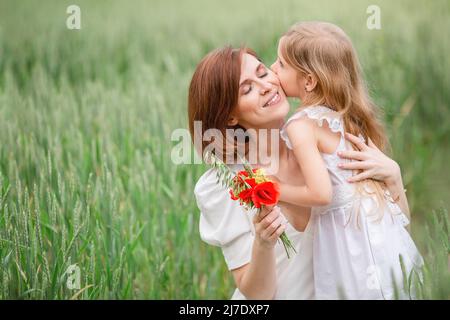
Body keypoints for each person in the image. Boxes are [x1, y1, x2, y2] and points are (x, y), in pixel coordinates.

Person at [188, 45, 415, 299]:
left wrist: (393, 177)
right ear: (230, 117)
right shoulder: (228, 184)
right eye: (247, 89)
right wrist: (263, 243)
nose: (265, 86)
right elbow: (257, 295)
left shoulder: (323, 141)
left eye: (263, 73)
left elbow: (392, 233)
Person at [270, 21, 423, 299]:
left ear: (309, 80)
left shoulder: (300, 125)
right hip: (385, 242)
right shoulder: (348, 119)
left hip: (349, 247)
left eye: (281, 63)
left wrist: (272, 188)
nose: (272, 68)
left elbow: (320, 193)